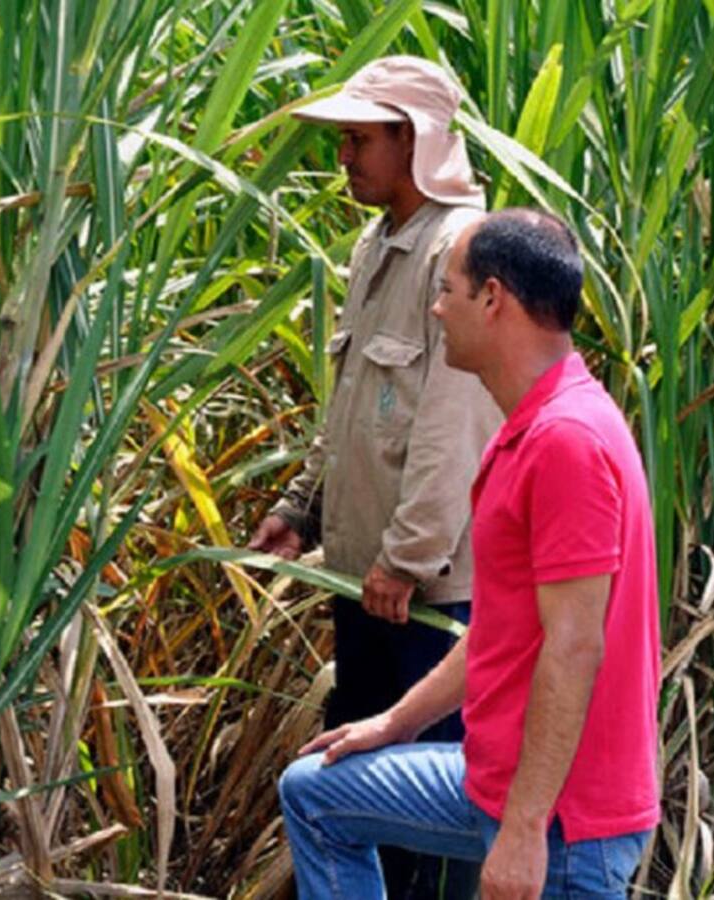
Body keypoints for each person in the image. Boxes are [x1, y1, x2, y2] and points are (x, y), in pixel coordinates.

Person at [277, 209, 662, 899]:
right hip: (494, 779)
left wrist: (524, 830)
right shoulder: (527, 429)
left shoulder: (567, 441)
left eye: (446, 290)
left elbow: (574, 646)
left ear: (492, 299)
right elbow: (501, 632)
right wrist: (394, 724)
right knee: (316, 794)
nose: (436, 309)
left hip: (563, 822)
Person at [247, 56, 500, 896]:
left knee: (432, 804)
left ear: (413, 140)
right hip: (370, 581)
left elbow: (453, 423)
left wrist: (410, 558)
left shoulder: (461, 248)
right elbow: (355, 400)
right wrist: (302, 509)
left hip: (429, 594)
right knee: (362, 785)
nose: (345, 157)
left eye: (360, 139)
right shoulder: (379, 243)